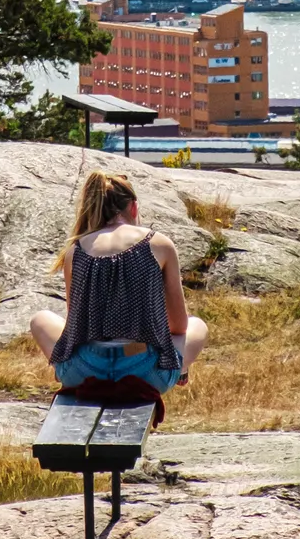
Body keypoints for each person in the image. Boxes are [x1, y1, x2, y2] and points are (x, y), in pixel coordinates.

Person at [29, 169, 207, 396]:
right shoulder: (159, 243)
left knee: (40, 319)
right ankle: (180, 369)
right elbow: (179, 326)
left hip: (83, 373)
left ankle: (68, 370)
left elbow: (75, 327)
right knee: (197, 326)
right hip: (144, 374)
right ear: (133, 207)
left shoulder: (76, 250)